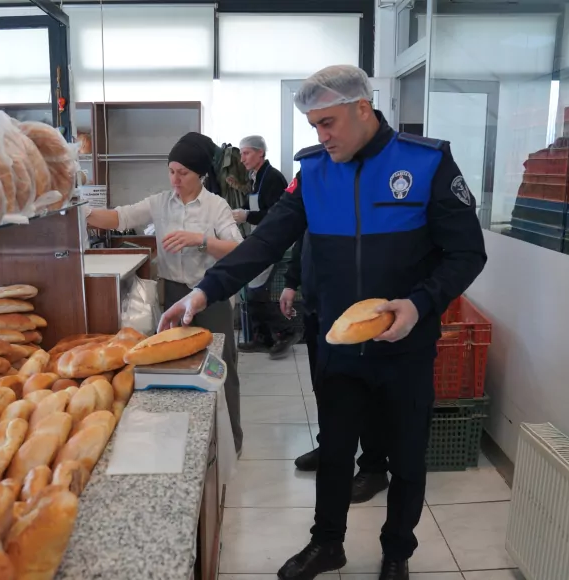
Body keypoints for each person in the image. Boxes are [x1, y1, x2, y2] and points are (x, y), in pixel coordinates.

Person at [158, 65, 487, 580]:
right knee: (334, 451)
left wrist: (420, 304)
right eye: (314, 126)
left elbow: (467, 254)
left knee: (406, 458)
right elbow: (266, 242)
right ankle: (327, 543)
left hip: (405, 344)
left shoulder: (425, 164)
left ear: (363, 109)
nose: (321, 136)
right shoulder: (313, 172)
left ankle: (397, 551)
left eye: (328, 123)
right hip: (337, 343)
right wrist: (204, 292)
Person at [86, 131, 245, 454]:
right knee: (178, 368)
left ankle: (231, 442)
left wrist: (200, 239)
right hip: (173, 294)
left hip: (210, 295)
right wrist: (79, 209)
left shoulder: (216, 206)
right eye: (171, 171)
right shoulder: (159, 203)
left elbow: (239, 249)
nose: (175, 179)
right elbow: (119, 218)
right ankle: (190, 443)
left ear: (199, 173)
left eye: (183, 173)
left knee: (220, 367)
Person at [281, 233, 391, 506]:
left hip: (356, 314)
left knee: (365, 390)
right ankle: (331, 448)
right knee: (325, 385)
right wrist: (291, 281)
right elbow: (303, 236)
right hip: (318, 307)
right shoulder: (315, 192)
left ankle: (374, 468)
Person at [232, 136, 301, 358]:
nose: (242, 159)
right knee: (254, 292)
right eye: (242, 154)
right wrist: (237, 212)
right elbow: (252, 206)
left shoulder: (273, 178)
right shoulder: (255, 177)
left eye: (246, 153)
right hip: (260, 239)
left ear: (261, 153)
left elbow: (276, 214)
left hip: (273, 240)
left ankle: (287, 331)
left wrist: (247, 215)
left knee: (254, 292)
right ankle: (264, 338)